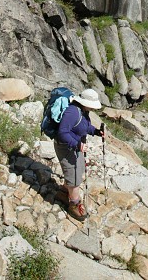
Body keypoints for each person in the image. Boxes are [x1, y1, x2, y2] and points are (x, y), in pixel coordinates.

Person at [55, 88, 105, 221]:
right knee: (75, 177)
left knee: (79, 169)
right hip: (66, 147)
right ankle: (74, 205)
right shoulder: (72, 112)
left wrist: (96, 131)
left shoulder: (83, 111)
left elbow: (84, 126)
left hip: (75, 147)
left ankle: (64, 191)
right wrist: (77, 144)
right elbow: (62, 132)